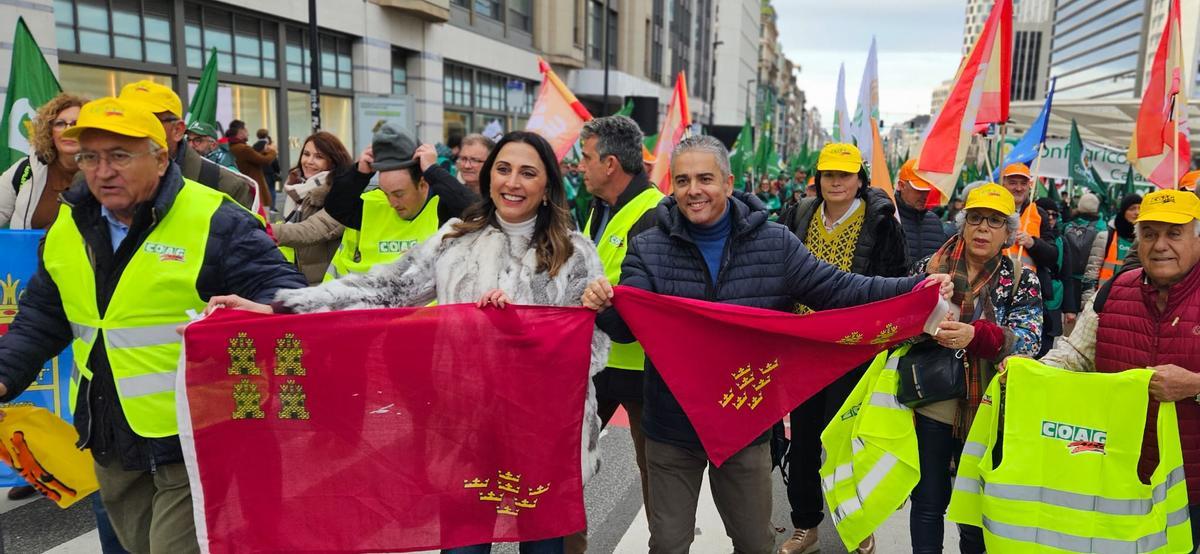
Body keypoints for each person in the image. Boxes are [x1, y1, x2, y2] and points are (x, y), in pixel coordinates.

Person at [205, 130, 608, 554]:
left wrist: (520, 330)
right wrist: (279, 308)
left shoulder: (574, 252)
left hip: (540, 437)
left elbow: (593, 350)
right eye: (504, 169)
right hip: (465, 432)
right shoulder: (456, 238)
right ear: (489, 177)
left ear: (547, 187)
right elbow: (384, 289)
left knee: (543, 548)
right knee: (462, 548)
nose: (513, 183)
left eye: (528, 173)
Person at [581, 135, 951, 554]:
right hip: (672, 423)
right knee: (667, 543)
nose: (693, 190)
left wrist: (915, 289)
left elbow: (839, 289)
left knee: (755, 542)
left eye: (705, 178)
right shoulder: (648, 245)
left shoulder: (774, 243)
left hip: (746, 421)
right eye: (682, 180)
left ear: (728, 181)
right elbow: (631, 325)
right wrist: (605, 304)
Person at [0, 97, 305, 552]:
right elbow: (44, 315)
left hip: (198, 436)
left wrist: (269, 311)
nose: (103, 171)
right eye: (90, 157)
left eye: (120, 156)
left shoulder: (214, 219)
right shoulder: (69, 223)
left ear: (160, 158)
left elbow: (287, 293)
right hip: (111, 433)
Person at [1040, 188, 1200, 552]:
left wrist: (1194, 385)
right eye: (1149, 234)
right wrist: (1029, 373)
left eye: (1174, 233)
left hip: (1192, 486)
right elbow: (1075, 353)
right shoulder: (1114, 292)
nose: (1160, 245)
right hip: (1119, 476)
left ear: (1197, 238)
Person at [776, 142, 908, 554]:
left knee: (848, 440)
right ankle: (805, 526)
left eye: (845, 174)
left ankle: (859, 524)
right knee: (803, 443)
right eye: (829, 173)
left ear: (860, 179)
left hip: (854, 352)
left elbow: (893, 285)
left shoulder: (884, 224)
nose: (836, 181)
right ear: (818, 178)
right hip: (803, 349)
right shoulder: (797, 215)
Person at [908, 183, 1043, 553]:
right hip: (931, 401)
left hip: (986, 408)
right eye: (977, 218)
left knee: (974, 508)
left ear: (1008, 233)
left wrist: (975, 335)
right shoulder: (928, 269)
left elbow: (1028, 340)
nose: (983, 228)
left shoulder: (1020, 278)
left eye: (995, 221)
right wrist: (926, 309)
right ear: (963, 224)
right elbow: (900, 333)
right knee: (928, 501)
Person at [575, 115, 663, 550]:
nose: (580, 166)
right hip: (596, 360)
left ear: (610, 163)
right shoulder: (599, 206)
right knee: (569, 462)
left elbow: (637, 307)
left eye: (586, 158)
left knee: (657, 474)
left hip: (642, 367)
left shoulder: (654, 212)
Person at [322, 125, 478, 280]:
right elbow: (335, 206)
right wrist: (359, 173)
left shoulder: (442, 207)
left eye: (399, 194)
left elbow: (476, 211)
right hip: (373, 299)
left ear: (422, 184)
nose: (392, 202)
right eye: (386, 193)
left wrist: (433, 170)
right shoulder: (374, 205)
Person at [114, 80, 255, 209]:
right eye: (123, 120)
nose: (130, 130)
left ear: (178, 130)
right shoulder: (98, 180)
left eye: (146, 121)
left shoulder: (225, 185)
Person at [1000, 163, 1069, 356]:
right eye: (1012, 182)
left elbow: (1053, 257)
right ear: (1002, 183)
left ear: (1030, 186)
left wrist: (1033, 243)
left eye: (1023, 183)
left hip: (1030, 296)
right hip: (996, 292)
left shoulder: (1039, 214)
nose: (1018, 188)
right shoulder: (994, 208)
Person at [271, 132, 353, 285]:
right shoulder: (296, 191)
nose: (309, 161)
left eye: (319, 157)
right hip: (298, 283)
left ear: (333, 162)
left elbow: (309, 231)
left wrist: (264, 229)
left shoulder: (339, 192)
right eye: (306, 154)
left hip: (328, 286)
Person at [0, 92, 86, 229]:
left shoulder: (104, 172)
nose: (68, 130)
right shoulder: (26, 169)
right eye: (60, 124)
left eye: (76, 123)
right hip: (27, 251)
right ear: (49, 131)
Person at [1085, 194, 1142, 297]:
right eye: (1132, 208)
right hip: (1105, 298)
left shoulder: (1146, 240)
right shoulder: (1106, 236)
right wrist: (1089, 303)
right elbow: (1091, 274)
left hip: (1134, 299)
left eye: (1140, 208)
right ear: (1123, 212)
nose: (1137, 212)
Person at [895, 159, 951, 262]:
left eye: (929, 191)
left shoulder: (934, 221)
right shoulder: (888, 217)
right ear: (901, 185)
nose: (925, 196)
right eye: (919, 190)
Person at [1062, 192, 1107, 317]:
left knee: (1069, 317)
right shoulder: (1102, 228)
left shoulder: (1067, 225)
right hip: (1091, 281)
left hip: (1069, 279)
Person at [227, 119, 277, 205]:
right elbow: (264, 160)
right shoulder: (243, 148)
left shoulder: (230, 147)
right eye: (246, 130)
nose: (248, 133)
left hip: (242, 189)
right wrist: (272, 151)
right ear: (241, 132)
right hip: (254, 190)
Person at [253, 128, 281, 199]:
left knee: (261, 191)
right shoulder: (269, 146)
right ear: (266, 135)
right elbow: (274, 160)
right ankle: (272, 207)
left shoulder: (254, 146)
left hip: (259, 171)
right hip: (269, 171)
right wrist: (277, 170)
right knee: (271, 190)